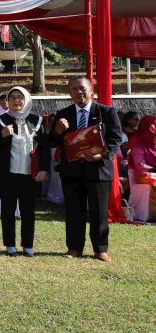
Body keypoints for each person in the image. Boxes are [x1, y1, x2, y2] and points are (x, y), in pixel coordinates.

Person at [49, 75, 123, 261]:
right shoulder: (62, 114)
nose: (78, 92)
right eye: (74, 89)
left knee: (99, 212)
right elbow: (52, 142)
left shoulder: (106, 112)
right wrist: (57, 130)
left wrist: (102, 156)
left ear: (91, 90)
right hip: (72, 170)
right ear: (69, 93)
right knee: (74, 210)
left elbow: (116, 139)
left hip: (98, 170)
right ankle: (74, 248)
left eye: (82, 88)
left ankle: (100, 249)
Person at [0, 86, 50, 257]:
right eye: (12, 97)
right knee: (8, 211)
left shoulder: (37, 121)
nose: (16, 101)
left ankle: (28, 246)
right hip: (8, 175)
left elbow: (44, 149)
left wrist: (44, 169)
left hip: (30, 176)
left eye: (20, 97)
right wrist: (1, 135)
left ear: (27, 99)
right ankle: (10, 246)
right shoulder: (0, 120)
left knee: (28, 212)